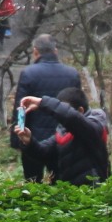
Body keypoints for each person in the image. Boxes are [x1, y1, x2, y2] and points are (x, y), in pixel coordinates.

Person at [11, 34, 81, 181]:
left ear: (35, 51)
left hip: (33, 137)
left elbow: (21, 107)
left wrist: (17, 139)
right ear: (55, 51)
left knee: (32, 183)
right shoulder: (72, 74)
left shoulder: (28, 74)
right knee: (61, 182)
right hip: (63, 138)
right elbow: (77, 108)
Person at [14, 85, 111, 185]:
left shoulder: (95, 125)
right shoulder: (63, 130)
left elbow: (72, 118)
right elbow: (43, 152)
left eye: (64, 108)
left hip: (94, 189)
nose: (60, 114)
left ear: (80, 111)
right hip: (70, 191)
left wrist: (44, 103)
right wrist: (29, 141)